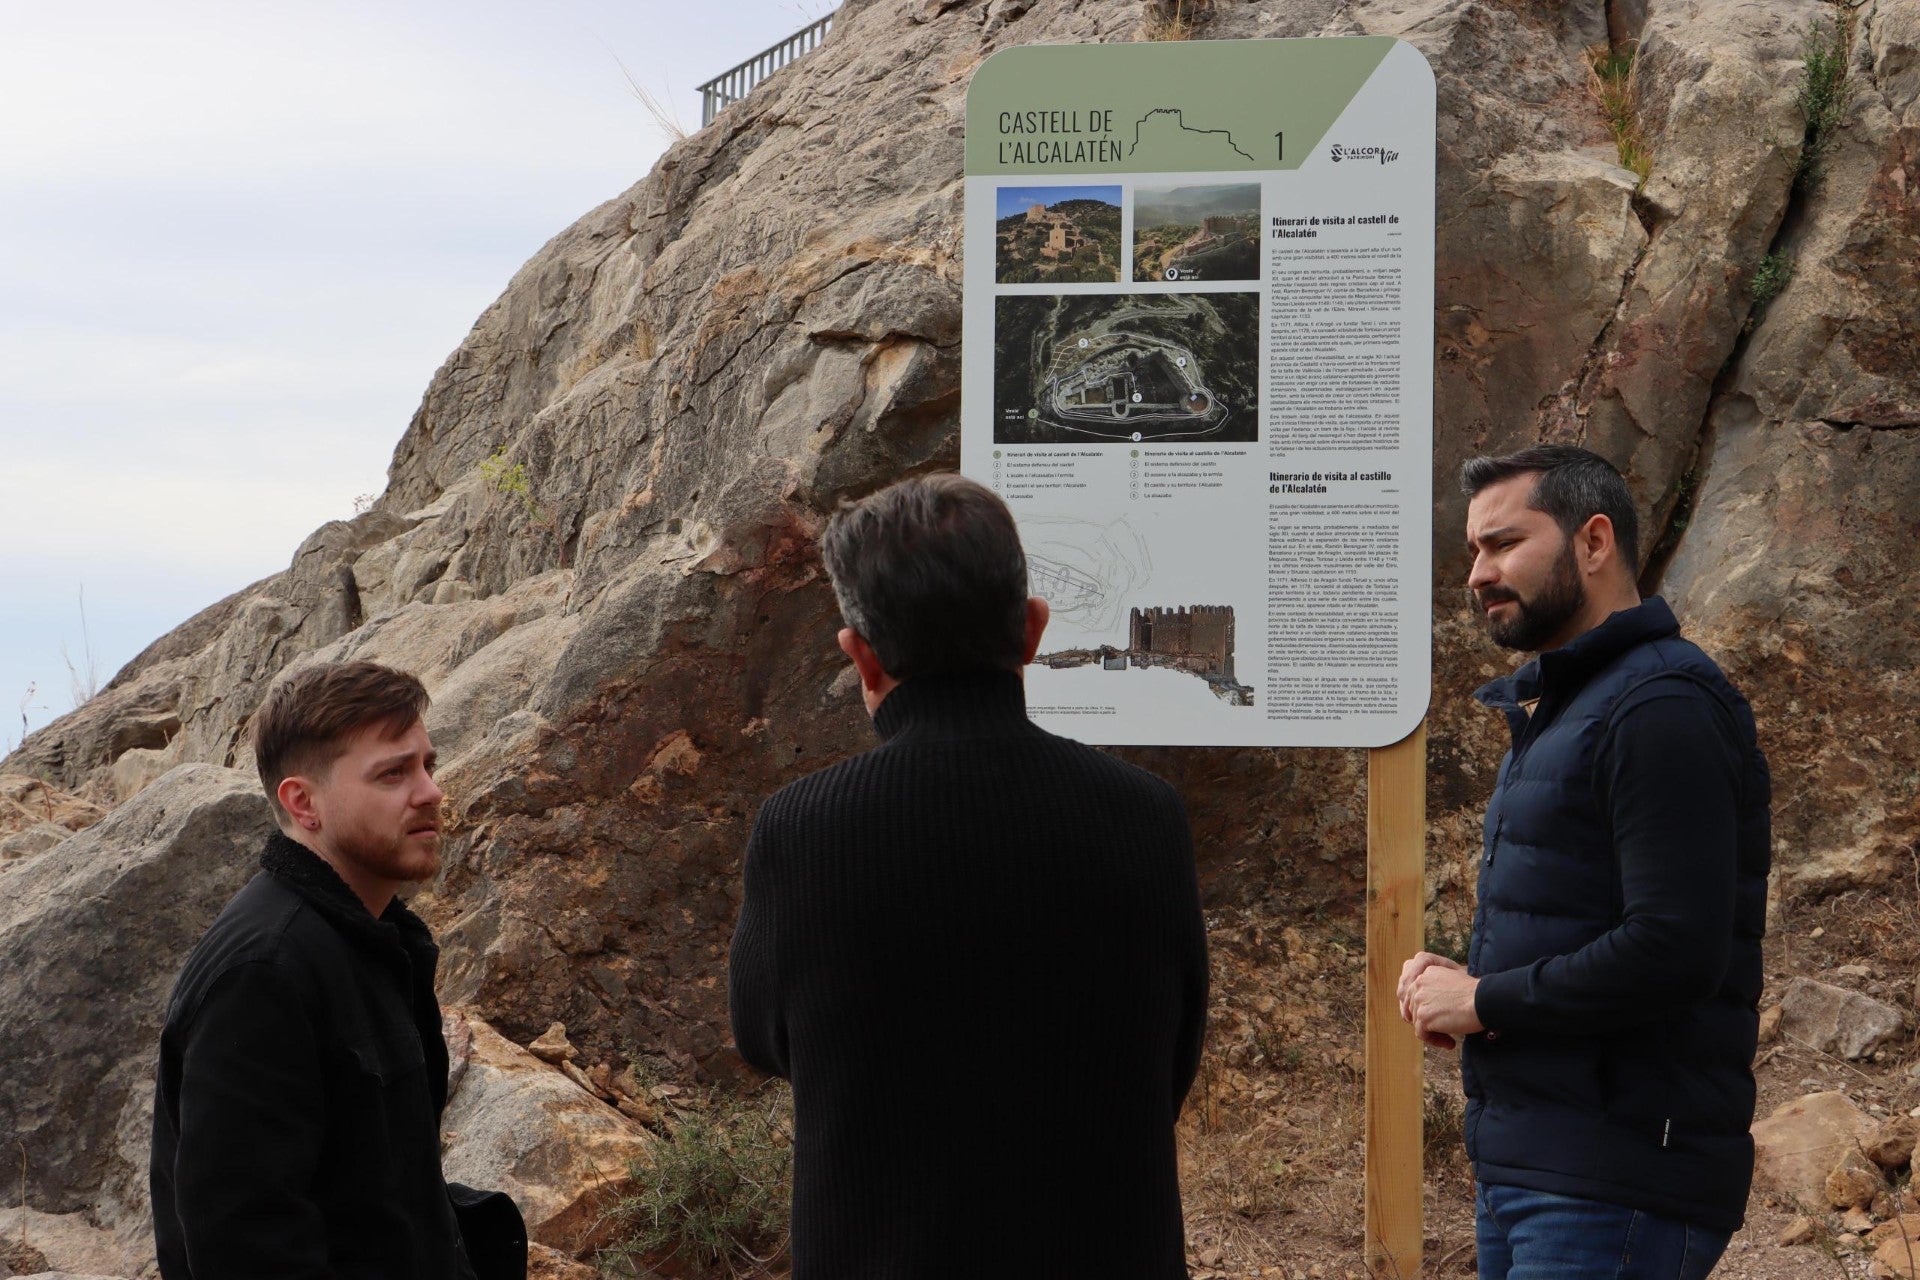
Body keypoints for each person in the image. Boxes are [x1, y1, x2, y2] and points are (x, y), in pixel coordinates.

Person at [729, 472, 1209, 1279]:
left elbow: (762, 1039)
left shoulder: (801, 830)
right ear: (1031, 631)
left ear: (862, 655)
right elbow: (1175, 1051)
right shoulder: (1146, 816)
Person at [1399, 446, 1770, 1278]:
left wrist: (1485, 998)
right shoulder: (1575, 708)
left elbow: (1676, 950)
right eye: (1472, 552)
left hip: (1614, 1181)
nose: (1477, 574)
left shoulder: (1660, 706)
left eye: (1501, 545)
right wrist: (1468, 989)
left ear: (1593, 541)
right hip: (1540, 1168)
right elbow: (1589, 924)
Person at [151, 660, 524, 1280]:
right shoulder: (264, 973)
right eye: (393, 773)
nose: (431, 791)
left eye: (427, 764)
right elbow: (245, 1246)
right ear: (303, 802)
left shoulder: (374, 940)